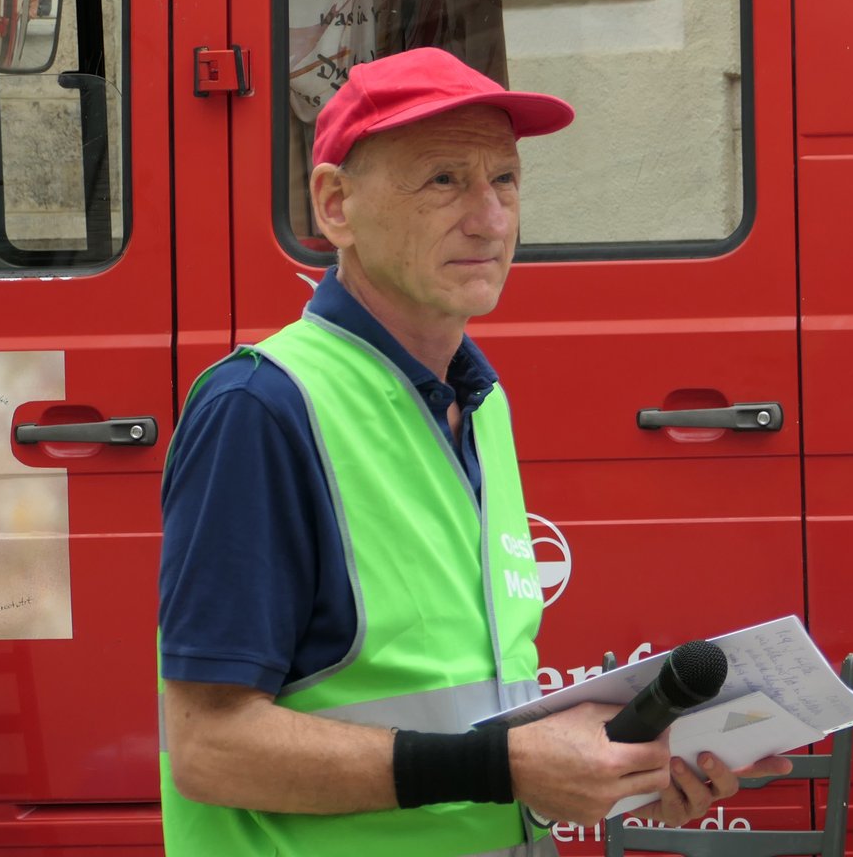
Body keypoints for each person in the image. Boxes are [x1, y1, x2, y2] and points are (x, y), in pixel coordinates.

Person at [157, 47, 787, 856]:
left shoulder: (476, 403)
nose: (489, 217)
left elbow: (460, 707)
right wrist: (503, 765)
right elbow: (210, 750)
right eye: (443, 180)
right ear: (335, 205)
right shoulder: (262, 407)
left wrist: (612, 762)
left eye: (506, 179)